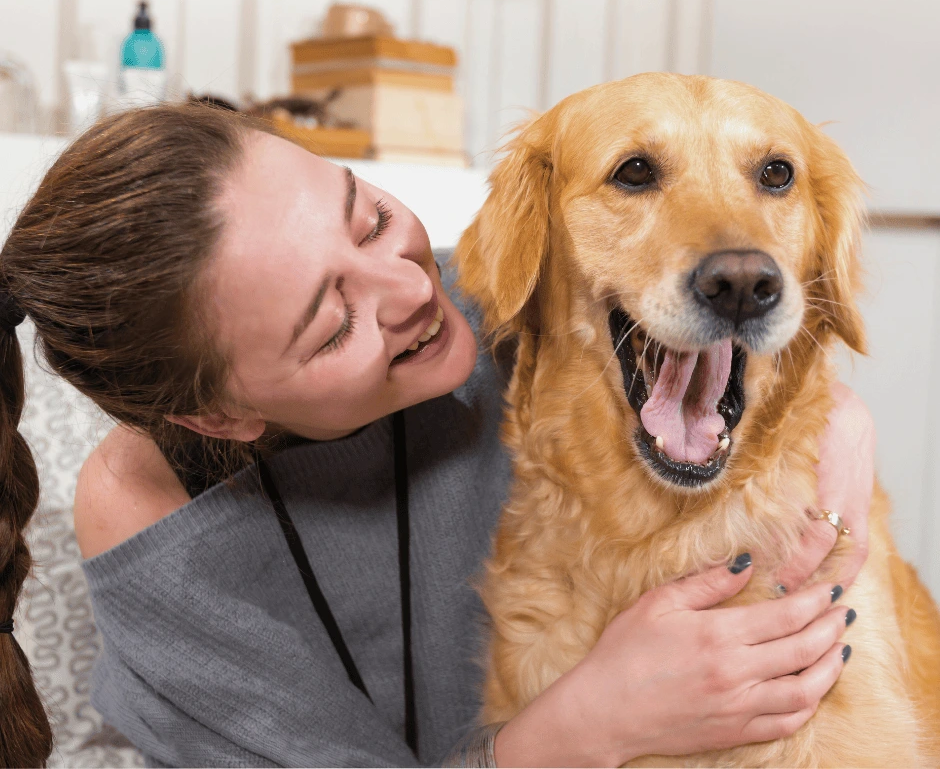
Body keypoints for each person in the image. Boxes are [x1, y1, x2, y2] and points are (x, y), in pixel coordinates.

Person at [0, 103, 873, 768]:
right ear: (222, 417)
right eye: (335, 322)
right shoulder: (152, 522)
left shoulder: (508, 299)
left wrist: (841, 420)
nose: (412, 289)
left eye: (369, 217)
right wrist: (589, 723)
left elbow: (718, 324)